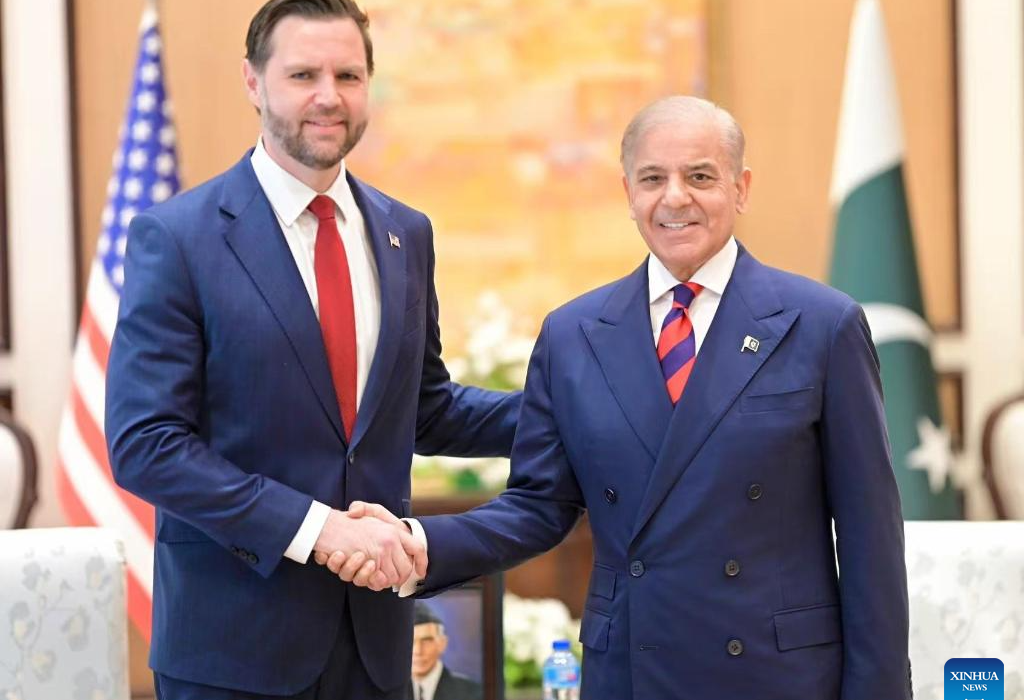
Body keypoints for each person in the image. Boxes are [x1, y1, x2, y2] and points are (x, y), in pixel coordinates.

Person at [334, 96, 912, 699]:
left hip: (777, 676)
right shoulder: (573, 334)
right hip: (633, 672)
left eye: (700, 177)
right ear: (628, 192)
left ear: (741, 188)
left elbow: (871, 538)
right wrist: (419, 542)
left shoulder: (821, 325)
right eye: (653, 178)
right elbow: (538, 505)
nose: (675, 198)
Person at [105, 1, 520, 698]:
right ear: (253, 81)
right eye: (304, 75)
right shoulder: (177, 238)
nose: (329, 96)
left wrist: (573, 408)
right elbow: (145, 444)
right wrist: (318, 530)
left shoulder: (406, 233)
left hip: (376, 649)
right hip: (233, 653)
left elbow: (423, 409)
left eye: (348, 76)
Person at [408, 603, 483, 700]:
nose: (418, 651)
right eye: (410, 641)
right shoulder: (391, 691)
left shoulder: (474, 693)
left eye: (427, 640)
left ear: (442, 644)